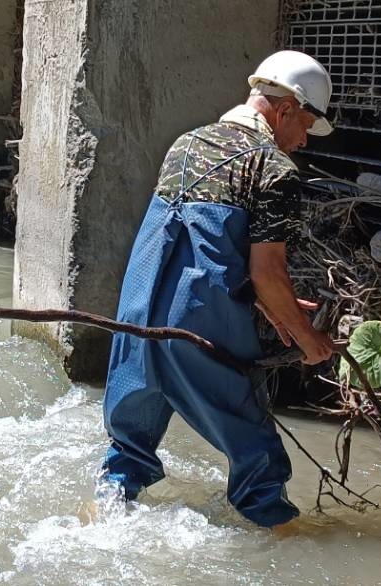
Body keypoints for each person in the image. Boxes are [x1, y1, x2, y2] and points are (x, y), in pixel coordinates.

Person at [97, 50, 339, 531]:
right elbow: (267, 271)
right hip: (197, 327)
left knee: (129, 447)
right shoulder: (273, 169)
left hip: (137, 311)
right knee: (258, 456)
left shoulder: (187, 143)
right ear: (286, 107)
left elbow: (193, 239)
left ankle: (100, 519)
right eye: (307, 125)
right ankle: (282, 549)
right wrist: (309, 338)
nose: (304, 141)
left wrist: (274, 305)